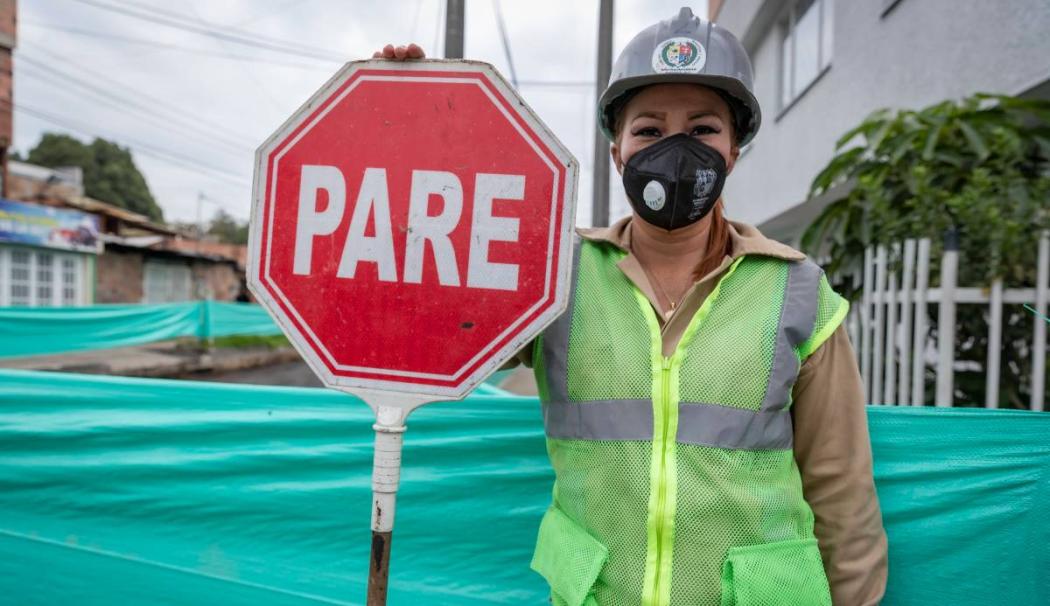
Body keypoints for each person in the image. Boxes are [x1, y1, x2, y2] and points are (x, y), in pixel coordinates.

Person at [375, 6, 887, 605]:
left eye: (702, 130)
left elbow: (842, 492)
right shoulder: (552, 277)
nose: (675, 148)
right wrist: (405, 126)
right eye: (648, 129)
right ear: (617, 151)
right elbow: (431, 330)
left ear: (733, 153)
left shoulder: (799, 291)